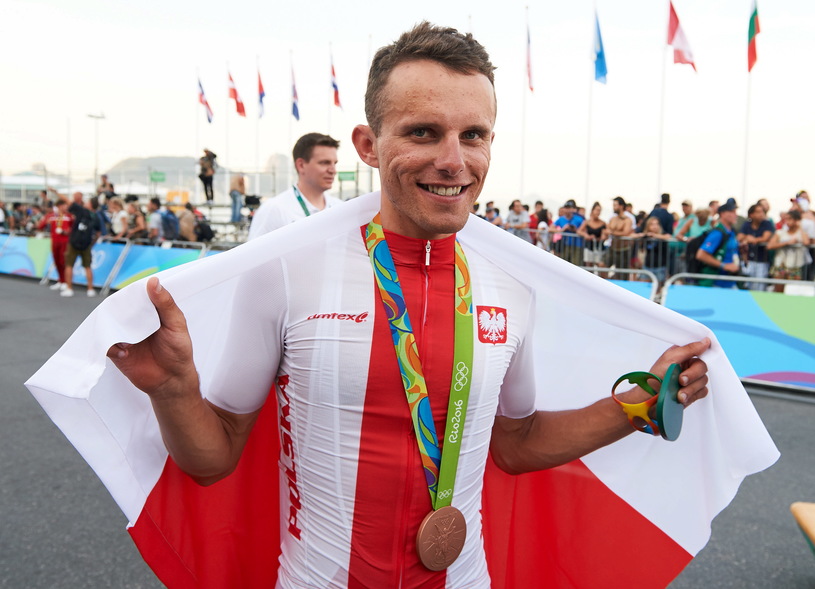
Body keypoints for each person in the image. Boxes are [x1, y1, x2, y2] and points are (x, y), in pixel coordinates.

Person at [101, 23, 713, 588]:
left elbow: (517, 442)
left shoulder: (511, 282)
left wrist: (638, 403)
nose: (453, 161)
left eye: (473, 135)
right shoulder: (286, 269)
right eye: (423, 132)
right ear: (368, 144)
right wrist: (174, 390)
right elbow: (213, 459)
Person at [248, 133, 341, 239]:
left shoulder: (340, 208)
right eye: (324, 163)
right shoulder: (274, 210)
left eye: (334, 163)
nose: (333, 170)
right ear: (301, 165)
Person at [695, 198, 740, 288]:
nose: (735, 215)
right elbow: (701, 255)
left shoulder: (731, 232)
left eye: (735, 212)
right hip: (716, 283)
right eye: (732, 212)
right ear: (723, 214)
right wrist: (724, 266)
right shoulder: (718, 233)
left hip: (729, 282)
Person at [63, 195, 101, 298]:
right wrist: (92, 243)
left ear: (90, 204)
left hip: (74, 242)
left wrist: (55, 192)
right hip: (86, 245)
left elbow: (68, 201)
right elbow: (98, 233)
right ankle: (90, 289)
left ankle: (69, 288)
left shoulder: (82, 211)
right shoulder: (96, 217)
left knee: (69, 265)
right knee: (88, 266)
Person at [767, 209, 811, 292]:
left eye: (790, 219)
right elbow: (769, 245)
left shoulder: (801, 233)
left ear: (796, 220)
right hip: (781, 265)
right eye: (786, 219)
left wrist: (800, 227)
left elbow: (806, 242)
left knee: (793, 291)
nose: (787, 221)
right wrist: (787, 243)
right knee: (779, 291)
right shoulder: (780, 233)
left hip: (795, 267)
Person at [37, 198, 73, 291]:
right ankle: (60, 280)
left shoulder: (69, 216)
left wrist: (66, 231)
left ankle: (66, 282)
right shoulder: (51, 216)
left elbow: (73, 228)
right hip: (54, 242)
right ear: (59, 206)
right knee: (57, 261)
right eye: (64, 206)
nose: (66, 207)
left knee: (63, 261)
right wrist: (45, 221)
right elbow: (40, 226)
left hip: (65, 242)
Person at [737, 203, 774, 291]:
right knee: (747, 284)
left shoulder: (767, 224)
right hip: (748, 260)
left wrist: (753, 240)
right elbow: (739, 237)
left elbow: (766, 238)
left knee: (760, 285)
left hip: (762, 260)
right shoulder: (747, 224)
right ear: (751, 214)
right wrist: (748, 238)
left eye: (762, 212)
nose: (761, 214)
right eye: (758, 212)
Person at [605, 196, 634, 275]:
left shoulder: (628, 219)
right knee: (603, 266)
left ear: (621, 206)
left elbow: (626, 233)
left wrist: (612, 232)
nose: (613, 207)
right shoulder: (613, 218)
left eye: (615, 205)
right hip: (612, 248)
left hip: (623, 250)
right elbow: (607, 230)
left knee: (622, 273)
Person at [551, 199, 584, 265]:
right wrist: (562, 229)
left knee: (575, 264)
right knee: (564, 264)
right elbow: (550, 228)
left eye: (569, 208)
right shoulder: (561, 219)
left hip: (577, 245)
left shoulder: (579, 219)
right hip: (565, 245)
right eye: (566, 208)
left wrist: (576, 230)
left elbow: (584, 230)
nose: (567, 210)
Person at [577, 201, 608, 267]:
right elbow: (579, 231)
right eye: (597, 210)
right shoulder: (587, 222)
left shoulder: (603, 223)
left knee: (601, 265)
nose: (598, 212)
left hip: (599, 248)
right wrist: (586, 235)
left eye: (599, 210)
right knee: (589, 267)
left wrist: (604, 237)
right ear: (593, 210)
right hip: (589, 247)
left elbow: (606, 233)